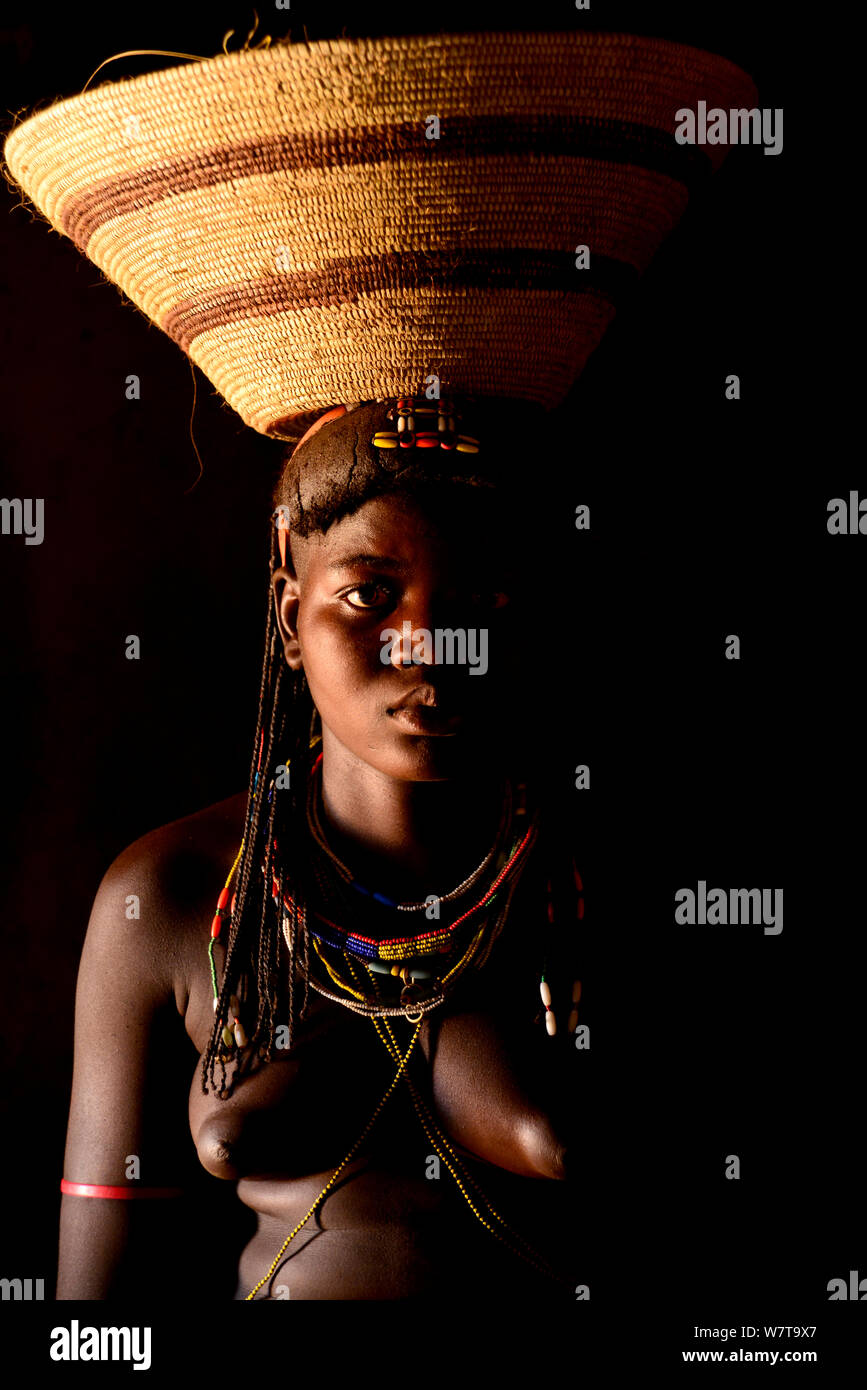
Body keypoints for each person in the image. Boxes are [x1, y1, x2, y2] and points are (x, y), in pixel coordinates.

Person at [56, 397, 585, 1300]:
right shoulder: (175, 894)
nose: (427, 646)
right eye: (369, 595)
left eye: (480, 599)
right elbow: (97, 1308)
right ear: (292, 619)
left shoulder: (572, 885)